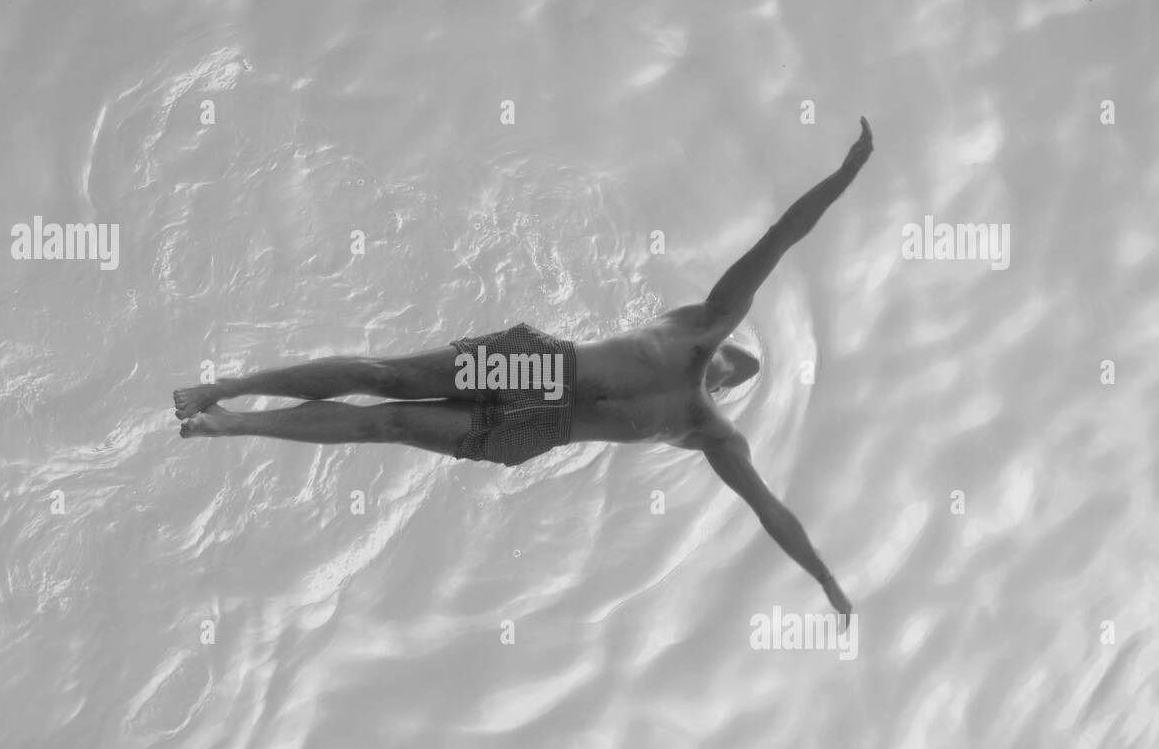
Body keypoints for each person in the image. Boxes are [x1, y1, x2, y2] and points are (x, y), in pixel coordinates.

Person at [175, 118, 874, 620]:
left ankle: (225, 395)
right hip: (543, 420)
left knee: (384, 383)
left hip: (540, 379)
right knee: (383, 416)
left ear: (721, 356)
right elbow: (770, 511)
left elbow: (782, 237)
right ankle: (228, 417)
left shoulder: (704, 337)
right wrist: (822, 579)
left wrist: (845, 176)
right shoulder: (709, 427)